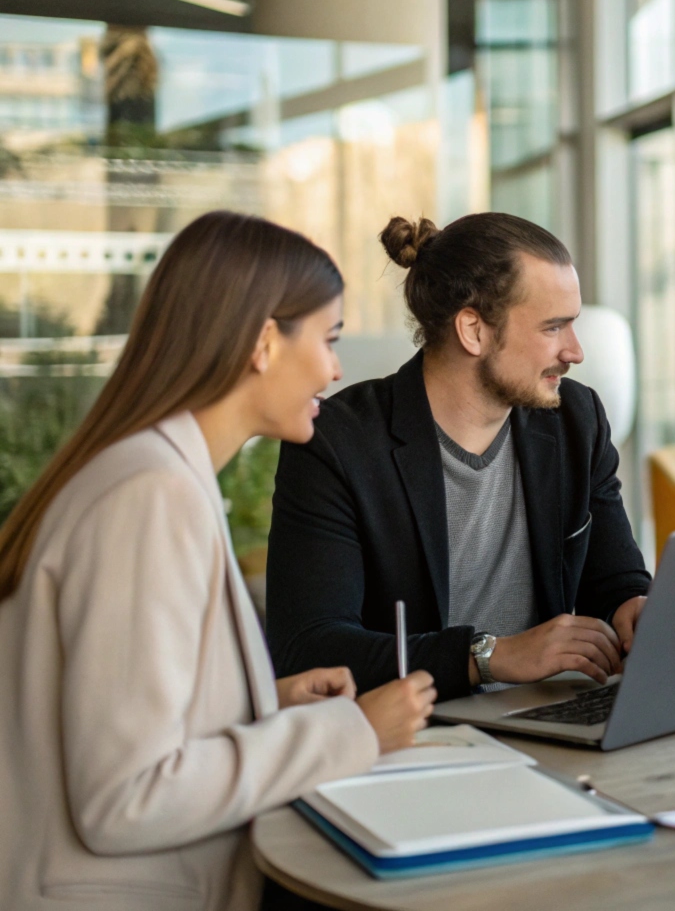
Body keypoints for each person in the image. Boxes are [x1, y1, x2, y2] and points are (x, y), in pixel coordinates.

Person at [0, 212, 435, 911]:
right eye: (327, 340)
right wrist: (350, 734)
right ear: (265, 341)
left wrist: (264, 702)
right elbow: (127, 795)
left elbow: (108, 717)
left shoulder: (155, 475)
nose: (335, 369)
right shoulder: (150, 495)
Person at [266, 213, 651, 702]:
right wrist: (488, 658)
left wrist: (633, 606)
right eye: (554, 327)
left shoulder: (578, 419)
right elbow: (310, 648)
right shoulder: (338, 443)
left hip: (551, 713)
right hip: (418, 732)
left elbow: (615, 580)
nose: (575, 352)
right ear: (473, 330)